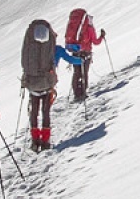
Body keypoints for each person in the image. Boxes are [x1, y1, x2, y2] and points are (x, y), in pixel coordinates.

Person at [21, 19, 62, 151]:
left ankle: (35, 140)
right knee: (46, 112)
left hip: (32, 83)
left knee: (34, 112)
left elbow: (24, 59)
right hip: (46, 83)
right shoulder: (49, 41)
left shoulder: (30, 40)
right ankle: (45, 140)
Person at [63, 8, 105, 102]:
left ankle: (76, 94)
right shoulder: (89, 28)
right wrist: (102, 36)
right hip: (86, 53)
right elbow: (96, 42)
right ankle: (83, 93)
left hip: (75, 52)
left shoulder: (74, 26)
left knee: (76, 73)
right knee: (84, 73)